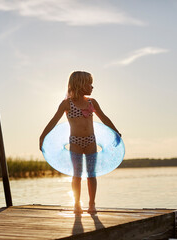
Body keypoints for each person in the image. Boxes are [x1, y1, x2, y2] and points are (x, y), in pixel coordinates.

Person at [39, 71, 121, 214]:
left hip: (91, 141)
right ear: (80, 85)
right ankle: (76, 204)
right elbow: (53, 121)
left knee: (91, 174)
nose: (92, 86)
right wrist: (42, 137)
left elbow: (104, 118)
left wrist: (116, 132)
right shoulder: (66, 104)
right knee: (77, 174)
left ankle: (92, 204)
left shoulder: (92, 102)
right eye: (89, 83)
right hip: (75, 142)